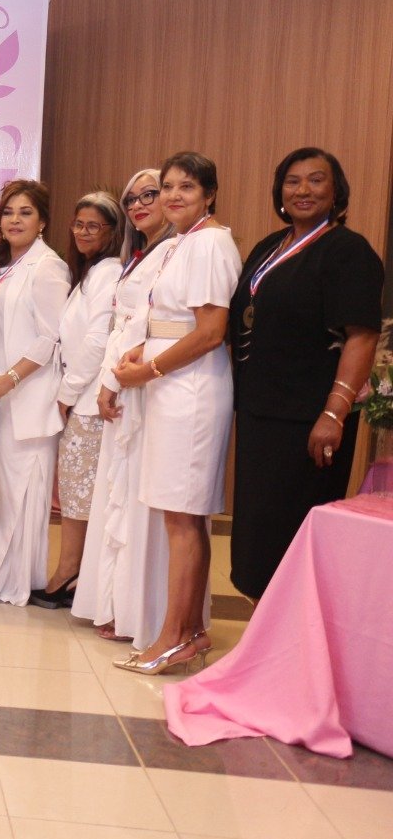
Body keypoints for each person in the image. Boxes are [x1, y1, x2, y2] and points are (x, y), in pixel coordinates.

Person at [228, 148, 382, 599]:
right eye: (292, 181)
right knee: (256, 538)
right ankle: (263, 630)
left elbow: (361, 336)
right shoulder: (267, 248)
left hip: (311, 422)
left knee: (292, 534)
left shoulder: (348, 251)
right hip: (260, 414)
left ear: (336, 191)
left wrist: (334, 413)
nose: (303, 190)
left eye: (316, 180)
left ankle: (296, 635)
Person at [111, 152, 240, 673]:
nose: (172, 196)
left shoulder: (209, 242)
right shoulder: (183, 242)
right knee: (179, 514)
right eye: (167, 187)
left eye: (186, 187)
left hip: (191, 390)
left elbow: (210, 332)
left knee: (184, 516)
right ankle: (189, 632)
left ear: (209, 193)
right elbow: (170, 321)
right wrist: (140, 353)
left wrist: (149, 369)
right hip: (171, 383)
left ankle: (174, 636)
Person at [72, 169, 175, 646]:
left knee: (138, 500)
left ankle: (141, 611)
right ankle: (114, 602)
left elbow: (147, 325)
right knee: (118, 495)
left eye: (150, 194)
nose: (139, 205)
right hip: (121, 383)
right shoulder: (138, 255)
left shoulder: (174, 252)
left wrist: (114, 377)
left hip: (146, 382)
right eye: (132, 198)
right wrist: (108, 380)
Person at [0, 180, 69, 606]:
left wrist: (9, 378)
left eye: (26, 212)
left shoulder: (48, 267)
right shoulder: (8, 266)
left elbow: (51, 338)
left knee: (25, 493)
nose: (15, 220)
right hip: (5, 397)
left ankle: (19, 582)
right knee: (7, 494)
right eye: (9, 212)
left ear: (43, 221)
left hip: (30, 396)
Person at [31, 190, 124, 609]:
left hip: (87, 401)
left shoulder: (108, 271)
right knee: (73, 493)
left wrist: (66, 394)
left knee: (78, 496)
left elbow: (97, 341)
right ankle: (72, 572)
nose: (84, 232)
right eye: (79, 224)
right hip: (80, 397)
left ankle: (69, 573)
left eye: (94, 226)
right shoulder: (89, 272)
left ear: (112, 231)